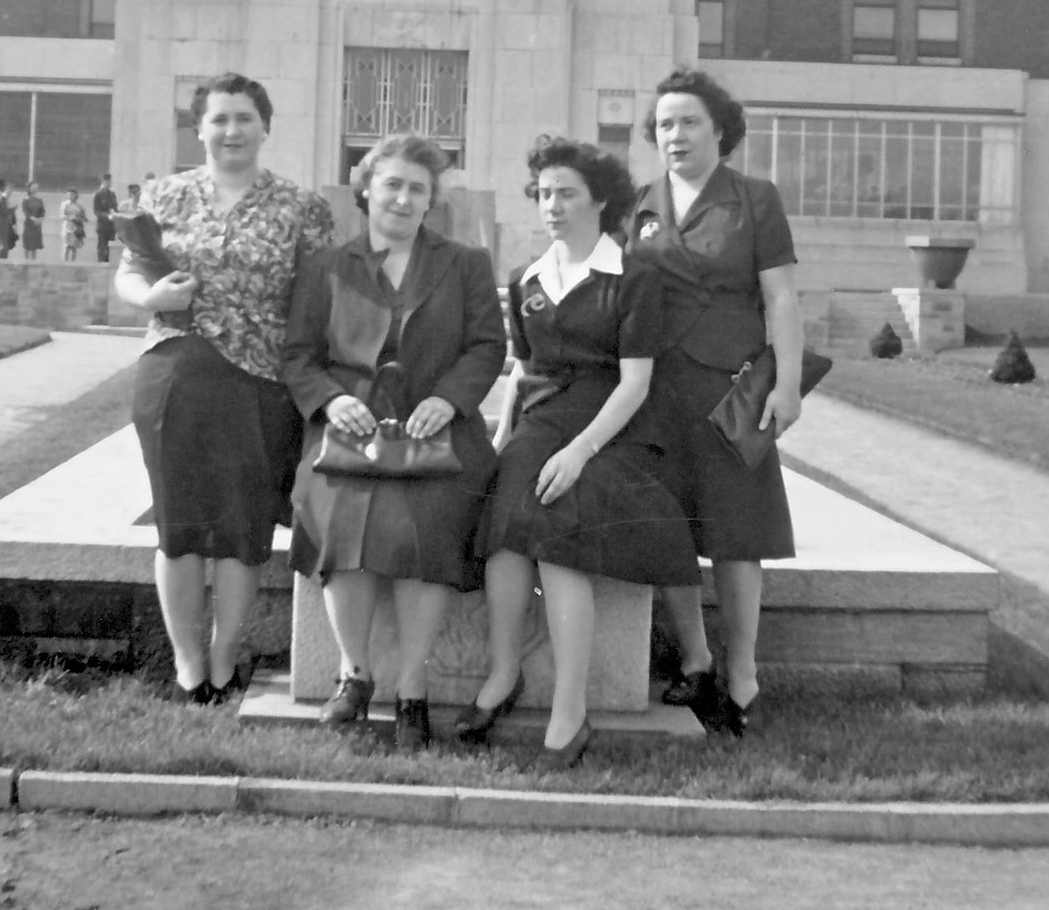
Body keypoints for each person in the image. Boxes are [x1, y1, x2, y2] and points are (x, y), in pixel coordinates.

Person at [461, 137, 700, 768]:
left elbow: (635, 383)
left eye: (566, 192)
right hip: (540, 423)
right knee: (505, 529)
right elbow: (521, 371)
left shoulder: (635, 278)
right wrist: (500, 440)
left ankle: (570, 711)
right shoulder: (525, 280)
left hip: (612, 428)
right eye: (543, 194)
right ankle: (503, 674)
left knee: (557, 535)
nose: (552, 205)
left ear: (600, 198)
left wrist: (580, 452)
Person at [281, 133, 506, 750]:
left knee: (430, 524)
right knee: (338, 514)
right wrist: (332, 399)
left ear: (431, 200)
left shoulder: (465, 265)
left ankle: (412, 690)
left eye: (417, 189)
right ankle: (354, 673)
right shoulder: (326, 267)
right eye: (392, 185)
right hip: (349, 434)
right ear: (367, 189)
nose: (403, 199)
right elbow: (299, 356)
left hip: (434, 433)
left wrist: (449, 399)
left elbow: (488, 345)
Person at [115, 73, 334, 704]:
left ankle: (223, 656)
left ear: (265, 126)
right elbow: (130, 274)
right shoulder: (166, 195)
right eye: (219, 119)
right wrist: (150, 297)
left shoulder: (302, 208)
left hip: (262, 383)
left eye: (244, 118)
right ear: (200, 128)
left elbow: (318, 301)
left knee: (242, 529)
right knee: (179, 525)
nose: (231, 130)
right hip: (176, 371)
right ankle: (188, 667)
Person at [625, 66, 805, 737]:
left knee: (735, 534)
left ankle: (742, 673)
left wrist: (785, 384)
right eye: (664, 122)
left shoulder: (754, 198)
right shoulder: (639, 205)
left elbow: (780, 295)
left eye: (689, 120)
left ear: (719, 129)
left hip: (731, 391)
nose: (674, 133)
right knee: (666, 529)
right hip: (654, 392)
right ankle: (695, 660)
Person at [93, 174, 118, 263]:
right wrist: (107, 216)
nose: (108, 183)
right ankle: (101, 264)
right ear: (103, 182)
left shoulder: (112, 195)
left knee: (110, 247)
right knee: (102, 247)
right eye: (106, 182)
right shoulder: (98, 195)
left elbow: (115, 208)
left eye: (109, 182)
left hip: (111, 226)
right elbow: (97, 211)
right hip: (102, 225)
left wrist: (115, 215)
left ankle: (108, 263)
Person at [20, 182, 46, 261]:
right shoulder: (25, 200)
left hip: (37, 225)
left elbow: (42, 211)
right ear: (29, 189)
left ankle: (33, 262)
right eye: (33, 188)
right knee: (27, 246)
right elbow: (25, 211)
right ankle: (26, 261)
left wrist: (41, 219)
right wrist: (33, 218)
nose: (35, 189)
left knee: (35, 246)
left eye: (36, 188)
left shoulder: (39, 200)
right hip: (29, 224)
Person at [60, 189, 87, 261]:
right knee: (66, 246)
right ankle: (65, 262)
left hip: (76, 228)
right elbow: (62, 216)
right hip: (67, 227)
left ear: (76, 195)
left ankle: (72, 262)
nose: (70, 196)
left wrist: (79, 219)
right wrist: (70, 217)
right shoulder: (64, 204)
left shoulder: (79, 205)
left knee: (74, 247)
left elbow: (84, 217)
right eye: (69, 195)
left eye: (72, 195)